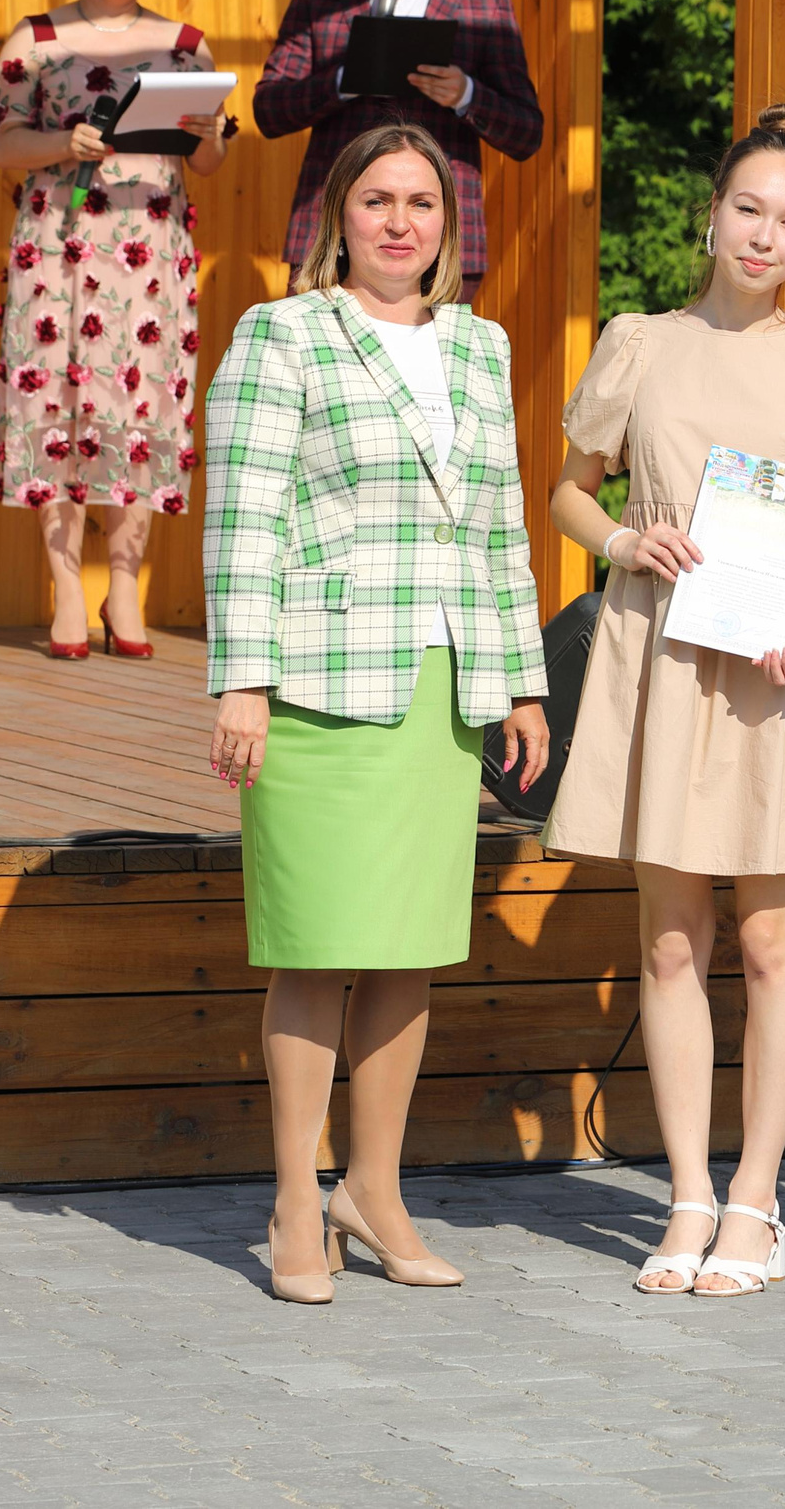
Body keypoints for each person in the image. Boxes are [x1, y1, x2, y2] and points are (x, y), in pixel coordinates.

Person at [541, 105, 785, 1298]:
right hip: (661, 655)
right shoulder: (639, 344)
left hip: (777, 671)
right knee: (668, 936)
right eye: (748, 207)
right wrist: (624, 545)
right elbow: (567, 494)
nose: (763, 233)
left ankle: (759, 1200)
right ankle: (687, 1194)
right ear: (713, 211)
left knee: (768, 934)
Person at [203, 123, 550, 1304]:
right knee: (315, 948)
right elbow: (241, 520)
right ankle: (298, 1198)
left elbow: (500, 525)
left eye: (421, 202)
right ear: (335, 218)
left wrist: (521, 680)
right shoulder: (281, 334)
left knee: (407, 953)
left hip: (441, 695)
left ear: (448, 228)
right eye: (376, 200)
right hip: (317, 686)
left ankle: (377, 1189)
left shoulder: (482, 346)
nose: (399, 221)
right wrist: (241, 681)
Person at [0, 0, 230, 660]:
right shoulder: (37, 39)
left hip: (148, 252)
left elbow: (212, 161)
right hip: (57, 245)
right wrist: (64, 145)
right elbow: (3, 144)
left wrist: (213, 132)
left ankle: (125, 587)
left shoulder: (185, 44)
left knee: (141, 407)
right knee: (54, 405)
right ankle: (63, 587)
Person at [253, 0, 542, 302]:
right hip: (330, 233)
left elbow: (526, 133)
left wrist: (466, 94)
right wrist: (342, 81)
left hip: (439, 239)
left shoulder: (483, 1)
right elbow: (268, 110)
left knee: (437, 371)